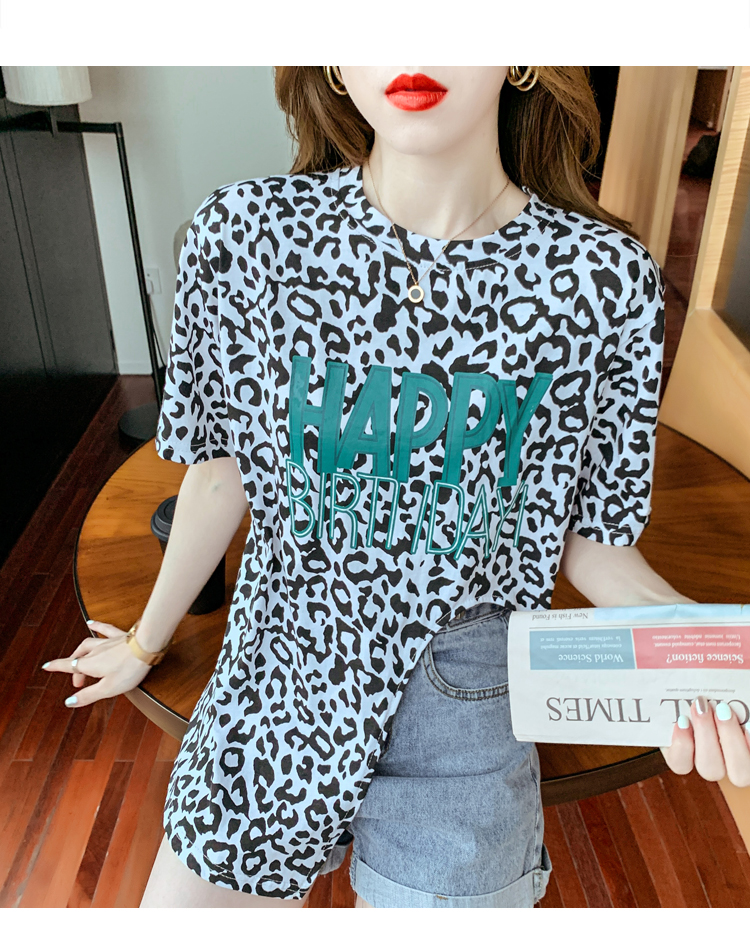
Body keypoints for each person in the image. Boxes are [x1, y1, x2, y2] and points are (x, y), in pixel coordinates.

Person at [44, 66, 750, 909]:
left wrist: (715, 665)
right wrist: (143, 643)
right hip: (279, 676)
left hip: (467, 710)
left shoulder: (602, 280)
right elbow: (220, 476)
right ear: (335, 62)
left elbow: (590, 542)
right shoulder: (246, 238)